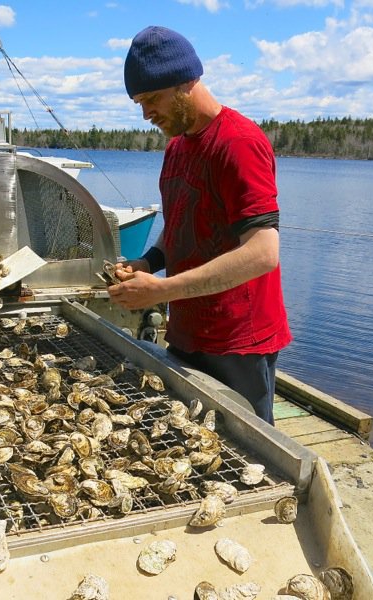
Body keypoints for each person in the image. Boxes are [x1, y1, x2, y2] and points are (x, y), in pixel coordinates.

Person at [108, 25, 291, 425]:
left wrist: (163, 290)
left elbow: (263, 253)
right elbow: (181, 227)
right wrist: (148, 263)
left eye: (152, 98)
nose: (145, 113)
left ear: (187, 82)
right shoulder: (177, 146)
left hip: (238, 341)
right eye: (139, 102)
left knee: (249, 451)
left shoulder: (239, 142)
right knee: (187, 444)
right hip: (188, 332)